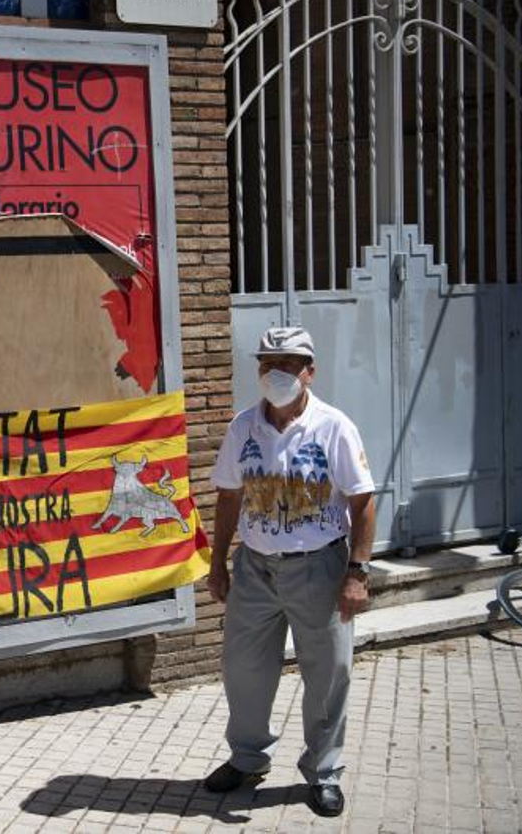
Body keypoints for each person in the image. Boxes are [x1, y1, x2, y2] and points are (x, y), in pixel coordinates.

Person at [203, 326, 376, 818]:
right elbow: (229, 496)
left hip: (318, 567)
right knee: (244, 670)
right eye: (266, 364)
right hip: (255, 568)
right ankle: (247, 758)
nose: (274, 374)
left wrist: (357, 572)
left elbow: (363, 503)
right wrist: (218, 563)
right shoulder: (243, 428)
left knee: (327, 674)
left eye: (287, 365)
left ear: (309, 371)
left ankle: (323, 772)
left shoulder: (334, 427)